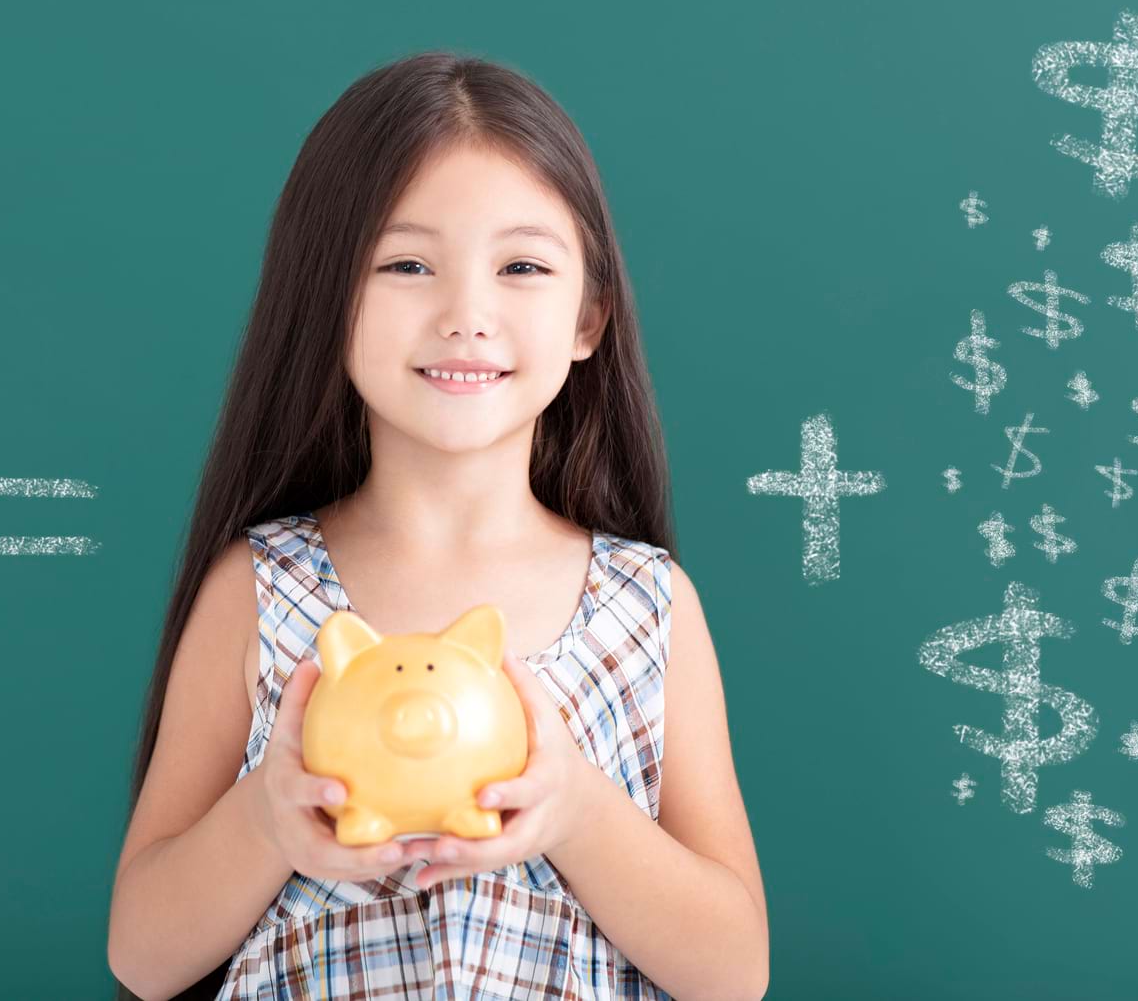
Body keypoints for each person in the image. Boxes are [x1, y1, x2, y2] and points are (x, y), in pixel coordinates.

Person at [106, 52, 768, 1000]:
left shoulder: (645, 606)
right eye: (408, 263)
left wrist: (575, 811)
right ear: (327, 300)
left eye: (523, 267)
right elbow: (142, 953)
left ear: (590, 318)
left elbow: (736, 971)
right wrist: (267, 824)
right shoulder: (260, 589)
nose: (467, 314)